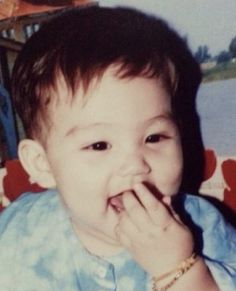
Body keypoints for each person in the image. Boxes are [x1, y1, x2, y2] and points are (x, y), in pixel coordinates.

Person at [0, 5, 235, 291]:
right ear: (42, 164)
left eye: (154, 138)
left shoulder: (202, 228)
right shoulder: (18, 231)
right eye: (99, 145)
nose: (136, 164)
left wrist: (179, 268)